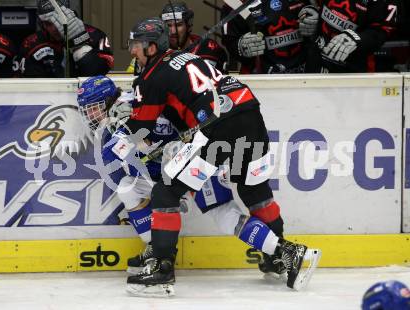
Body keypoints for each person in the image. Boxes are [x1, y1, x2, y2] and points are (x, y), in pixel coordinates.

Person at [116, 17, 321, 297]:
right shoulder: (188, 57)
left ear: (152, 47)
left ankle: (162, 270)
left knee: (166, 193)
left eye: (137, 45)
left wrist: (121, 125)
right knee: (253, 188)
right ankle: (279, 257)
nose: (133, 51)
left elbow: (141, 130)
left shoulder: (151, 76)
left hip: (218, 124)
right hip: (248, 111)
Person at [76, 75, 291, 280]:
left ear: (107, 101)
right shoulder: (121, 113)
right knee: (127, 187)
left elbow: (140, 140)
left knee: (224, 213)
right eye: (86, 111)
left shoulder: (129, 109)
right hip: (176, 169)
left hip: (199, 160)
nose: (90, 116)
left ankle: (284, 251)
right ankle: (156, 250)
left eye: (93, 109)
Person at [16, 0, 113, 78]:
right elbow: (30, 87)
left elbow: (100, 76)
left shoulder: (95, 35)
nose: (55, 28)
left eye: (60, 20)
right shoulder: (31, 44)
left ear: (70, 15)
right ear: (41, 24)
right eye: (48, 23)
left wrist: (79, 45)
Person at [127, 2, 228, 75]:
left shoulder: (207, 48)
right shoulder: (152, 51)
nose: (173, 31)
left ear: (188, 25)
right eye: (168, 25)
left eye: (178, 25)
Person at [220, 0, 320, 74]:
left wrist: (314, 18)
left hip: (307, 73)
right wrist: (240, 46)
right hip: (261, 78)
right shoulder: (234, 3)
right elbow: (230, 40)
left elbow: (315, 9)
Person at [314, 0, 398, 73]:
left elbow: (382, 31)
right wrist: (309, 9)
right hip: (314, 56)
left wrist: (357, 38)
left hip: (353, 68)